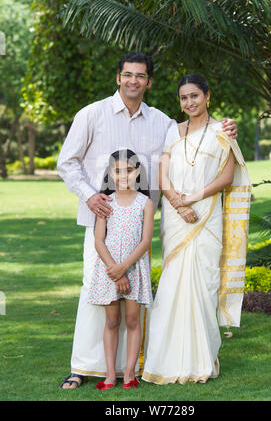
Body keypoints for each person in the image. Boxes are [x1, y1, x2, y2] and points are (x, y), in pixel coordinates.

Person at [57, 52, 238, 389]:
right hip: (101, 221)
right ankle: (82, 366)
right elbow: (67, 162)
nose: (133, 81)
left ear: (149, 82)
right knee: (96, 292)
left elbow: (194, 135)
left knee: (135, 294)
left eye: (140, 76)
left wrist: (227, 127)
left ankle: (131, 368)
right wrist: (89, 195)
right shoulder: (92, 114)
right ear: (118, 78)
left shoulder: (162, 122)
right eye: (127, 75)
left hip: (141, 226)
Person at [142, 74, 251, 385]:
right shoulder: (171, 132)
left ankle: (202, 360)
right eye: (183, 98)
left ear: (207, 96)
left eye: (194, 96)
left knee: (203, 285)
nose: (189, 102)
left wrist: (193, 197)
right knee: (172, 284)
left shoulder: (222, 131)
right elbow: (163, 173)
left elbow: (227, 176)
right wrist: (177, 202)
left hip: (206, 215)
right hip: (177, 217)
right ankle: (163, 362)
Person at [87, 149, 154, 390]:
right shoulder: (105, 202)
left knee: (134, 321)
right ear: (110, 174)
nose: (124, 175)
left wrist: (125, 269)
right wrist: (115, 271)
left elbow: (145, 241)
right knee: (112, 321)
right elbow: (98, 240)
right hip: (109, 271)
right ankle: (109, 374)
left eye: (129, 170)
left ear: (138, 172)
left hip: (133, 269)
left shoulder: (146, 203)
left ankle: (129, 373)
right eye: (118, 171)